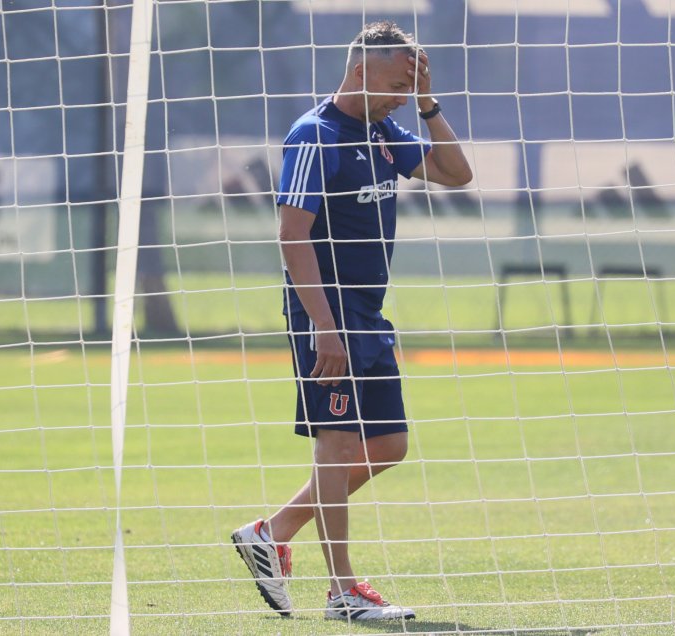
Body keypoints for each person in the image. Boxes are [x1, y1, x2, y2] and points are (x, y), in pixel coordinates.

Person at [232, 21, 472, 621]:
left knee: (389, 444)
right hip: (324, 313)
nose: (399, 96)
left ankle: (273, 531)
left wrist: (426, 104)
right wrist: (322, 323)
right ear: (360, 69)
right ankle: (343, 592)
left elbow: (456, 173)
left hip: (366, 312)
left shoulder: (387, 129)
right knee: (336, 446)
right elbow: (291, 236)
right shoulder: (315, 135)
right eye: (395, 82)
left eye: (406, 87)